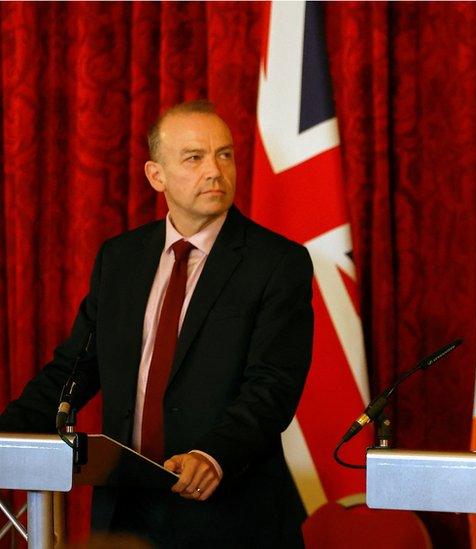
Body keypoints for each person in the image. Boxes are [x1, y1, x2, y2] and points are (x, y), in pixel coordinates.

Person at [0, 100, 312, 547]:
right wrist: (5, 437)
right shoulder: (120, 259)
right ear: (156, 176)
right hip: (126, 514)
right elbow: (72, 371)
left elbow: (273, 387)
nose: (214, 171)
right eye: (194, 157)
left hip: (228, 511)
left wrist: (213, 455)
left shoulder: (277, 263)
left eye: (224, 154)